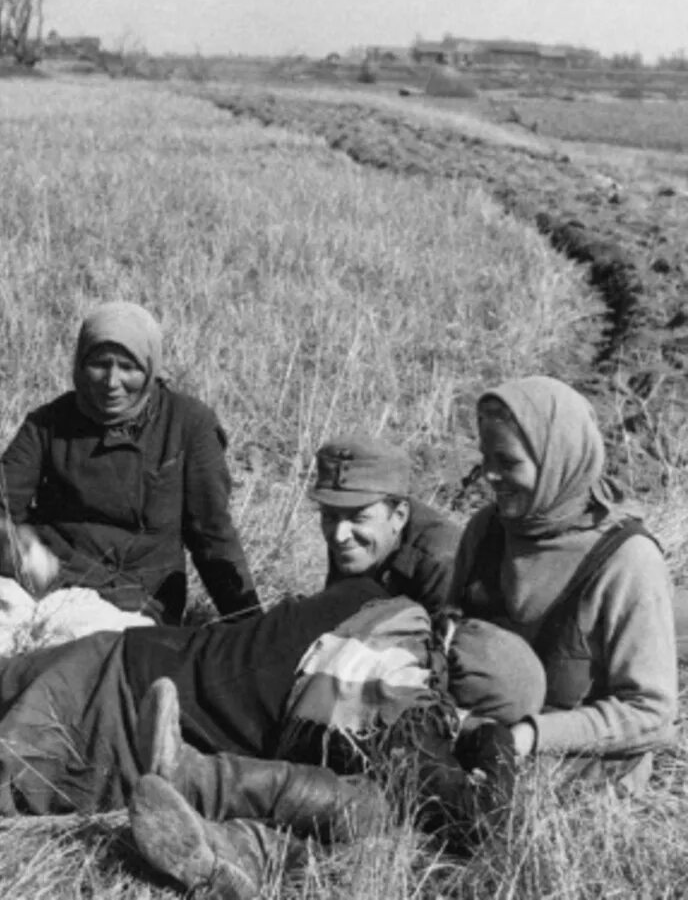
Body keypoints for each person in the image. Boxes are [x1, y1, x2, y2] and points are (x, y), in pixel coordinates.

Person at [0, 576, 401, 815]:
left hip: (123, 679)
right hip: (137, 695)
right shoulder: (379, 620)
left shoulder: (370, 605)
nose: (339, 532)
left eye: (357, 517)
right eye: (332, 515)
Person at [127, 612, 544, 899]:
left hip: (389, 848)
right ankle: (213, 825)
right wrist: (496, 742)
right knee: (372, 801)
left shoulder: (442, 756)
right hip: (375, 820)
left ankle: (217, 829)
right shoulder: (430, 726)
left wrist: (493, 740)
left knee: (378, 812)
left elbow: (484, 819)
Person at [0, 301, 259, 623]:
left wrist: (252, 628)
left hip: (135, 601)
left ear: (151, 368)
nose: (111, 382)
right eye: (99, 364)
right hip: (47, 583)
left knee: (74, 651)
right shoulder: (49, 423)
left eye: (129, 367)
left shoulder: (188, 424)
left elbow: (213, 537)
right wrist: (6, 543)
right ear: (80, 363)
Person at [446, 375, 678, 791]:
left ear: (559, 461)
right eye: (486, 459)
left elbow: (651, 712)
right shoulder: (485, 531)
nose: (490, 476)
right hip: (474, 739)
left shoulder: (627, 561)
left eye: (509, 462)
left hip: (580, 766)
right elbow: (446, 637)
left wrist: (531, 738)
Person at [309, 435, 460, 612]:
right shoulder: (349, 536)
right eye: (329, 516)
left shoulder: (441, 561)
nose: (340, 536)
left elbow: (456, 635)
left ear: (399, 515)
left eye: (358, 518)